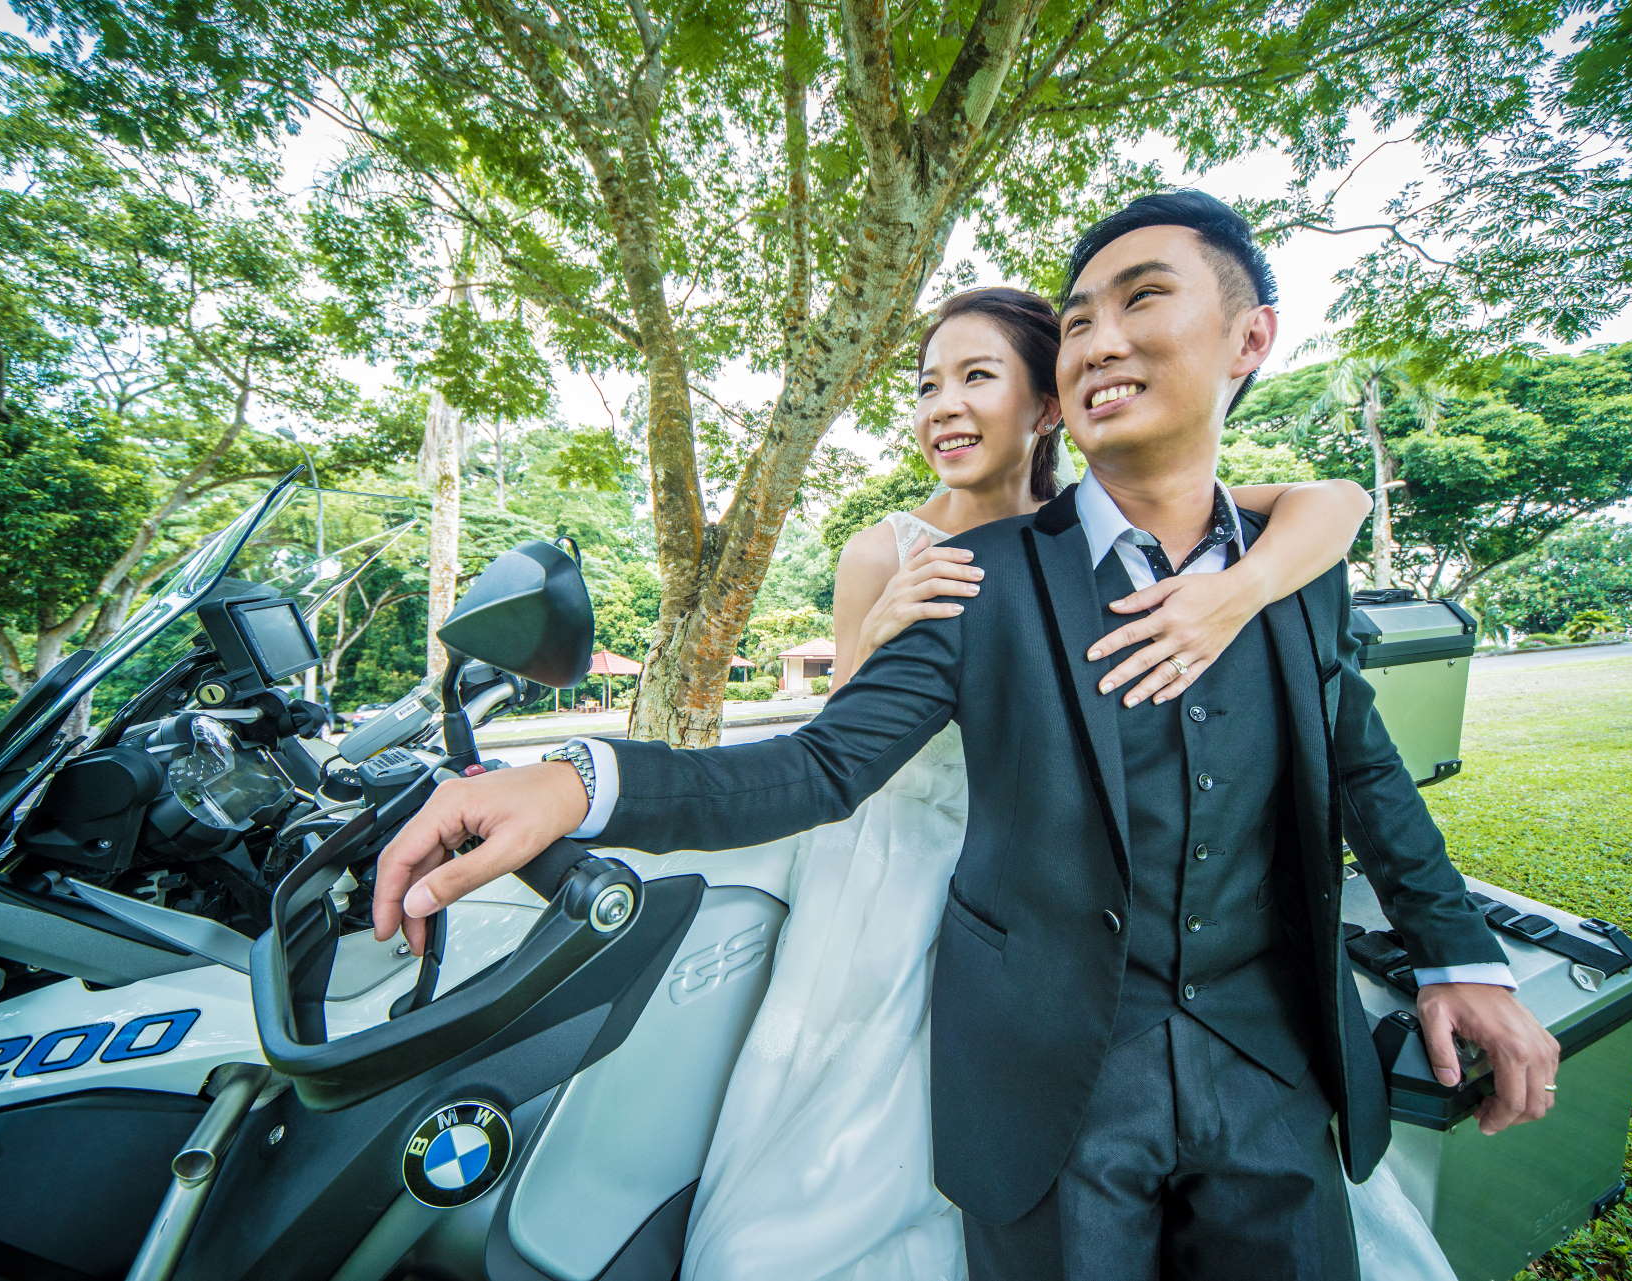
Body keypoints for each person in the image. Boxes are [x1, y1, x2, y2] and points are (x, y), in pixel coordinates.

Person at [375, 191, 1560, 1281]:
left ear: (1250, 339)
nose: (1099, 341)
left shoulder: (1293, 571)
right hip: (1057, 1082)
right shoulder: (971, 576)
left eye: (1143, 300)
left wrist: (1461, 959)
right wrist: (572, 781)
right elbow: (820, 765)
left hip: (1273, 1064)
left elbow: (1362, 768)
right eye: (1078, 320)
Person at [675, 286, 1379, 1281]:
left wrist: (1238, 591)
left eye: (977, 377)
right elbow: (844, 746)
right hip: (904, 865)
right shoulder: (884, 549)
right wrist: (883, 633)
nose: (944, 408)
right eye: (928, 386)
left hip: (1067, 873)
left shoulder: (1094, 527)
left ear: (1047, 404)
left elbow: (1335, 502)